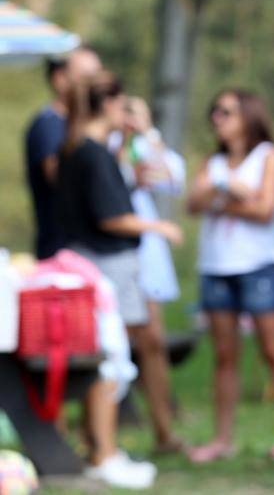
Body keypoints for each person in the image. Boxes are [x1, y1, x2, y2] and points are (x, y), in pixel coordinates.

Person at [56, 71, 183, 489]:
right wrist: (159, 228)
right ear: (107, 104)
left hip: (89, 266)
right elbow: (111, 216)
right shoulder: (92, 152)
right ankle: (104, 453)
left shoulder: (79, 148)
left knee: (105, 360)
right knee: (110, 361)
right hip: (107, 271)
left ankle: (99, 446)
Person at [186, 89, 274, 463]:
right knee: (224, 355)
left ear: (247, 116)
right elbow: (193, 203)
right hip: (216, 266)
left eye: (226, 112)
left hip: (259, 265)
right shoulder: (213, 160)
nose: (217, 119)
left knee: (273, 350)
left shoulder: (267, 156)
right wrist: (236, 195)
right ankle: (222, 439)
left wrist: (221, 197)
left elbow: (266, 209)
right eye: (215, 112)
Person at [114, 96, 185, 454]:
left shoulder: (148, 146)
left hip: (146, 254)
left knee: (152, 340)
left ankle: (163, 429)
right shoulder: (109, 145)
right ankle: (102, 433)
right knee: (113, 343)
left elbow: (171, 178)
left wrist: (148, 135)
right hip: (114, 251)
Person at [24, 47, 101, 259]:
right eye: (88, 77)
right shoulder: (50, 125)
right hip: (61, 251)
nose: (96, 86)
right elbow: (59, 179)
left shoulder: (75, 126)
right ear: (60, 79)